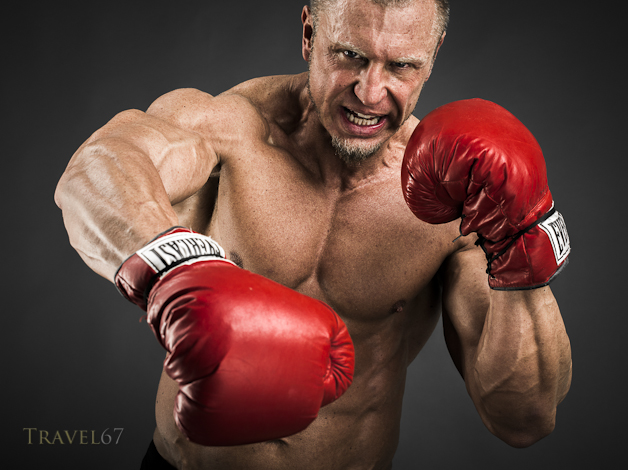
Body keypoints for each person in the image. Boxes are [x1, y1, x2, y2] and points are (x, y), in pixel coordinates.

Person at [54, 0, 573, 468]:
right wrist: (177, 271)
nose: (370, 93)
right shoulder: (232, 128)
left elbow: (524, 419)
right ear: (308, 34)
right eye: (350, 55)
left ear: (433, 53)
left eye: (401, 66)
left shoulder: (458, 200)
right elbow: (100, 166)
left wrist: (522, 244)